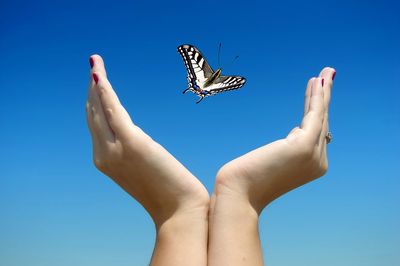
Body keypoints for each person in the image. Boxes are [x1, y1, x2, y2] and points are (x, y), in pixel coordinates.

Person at [86, 54, 336, 266]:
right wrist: (242, 196)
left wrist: (175, 209)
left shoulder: (224, 81)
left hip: (202, 84)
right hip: (202, 83)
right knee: (198, 71)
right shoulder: (210, 75)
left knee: (201, 78)